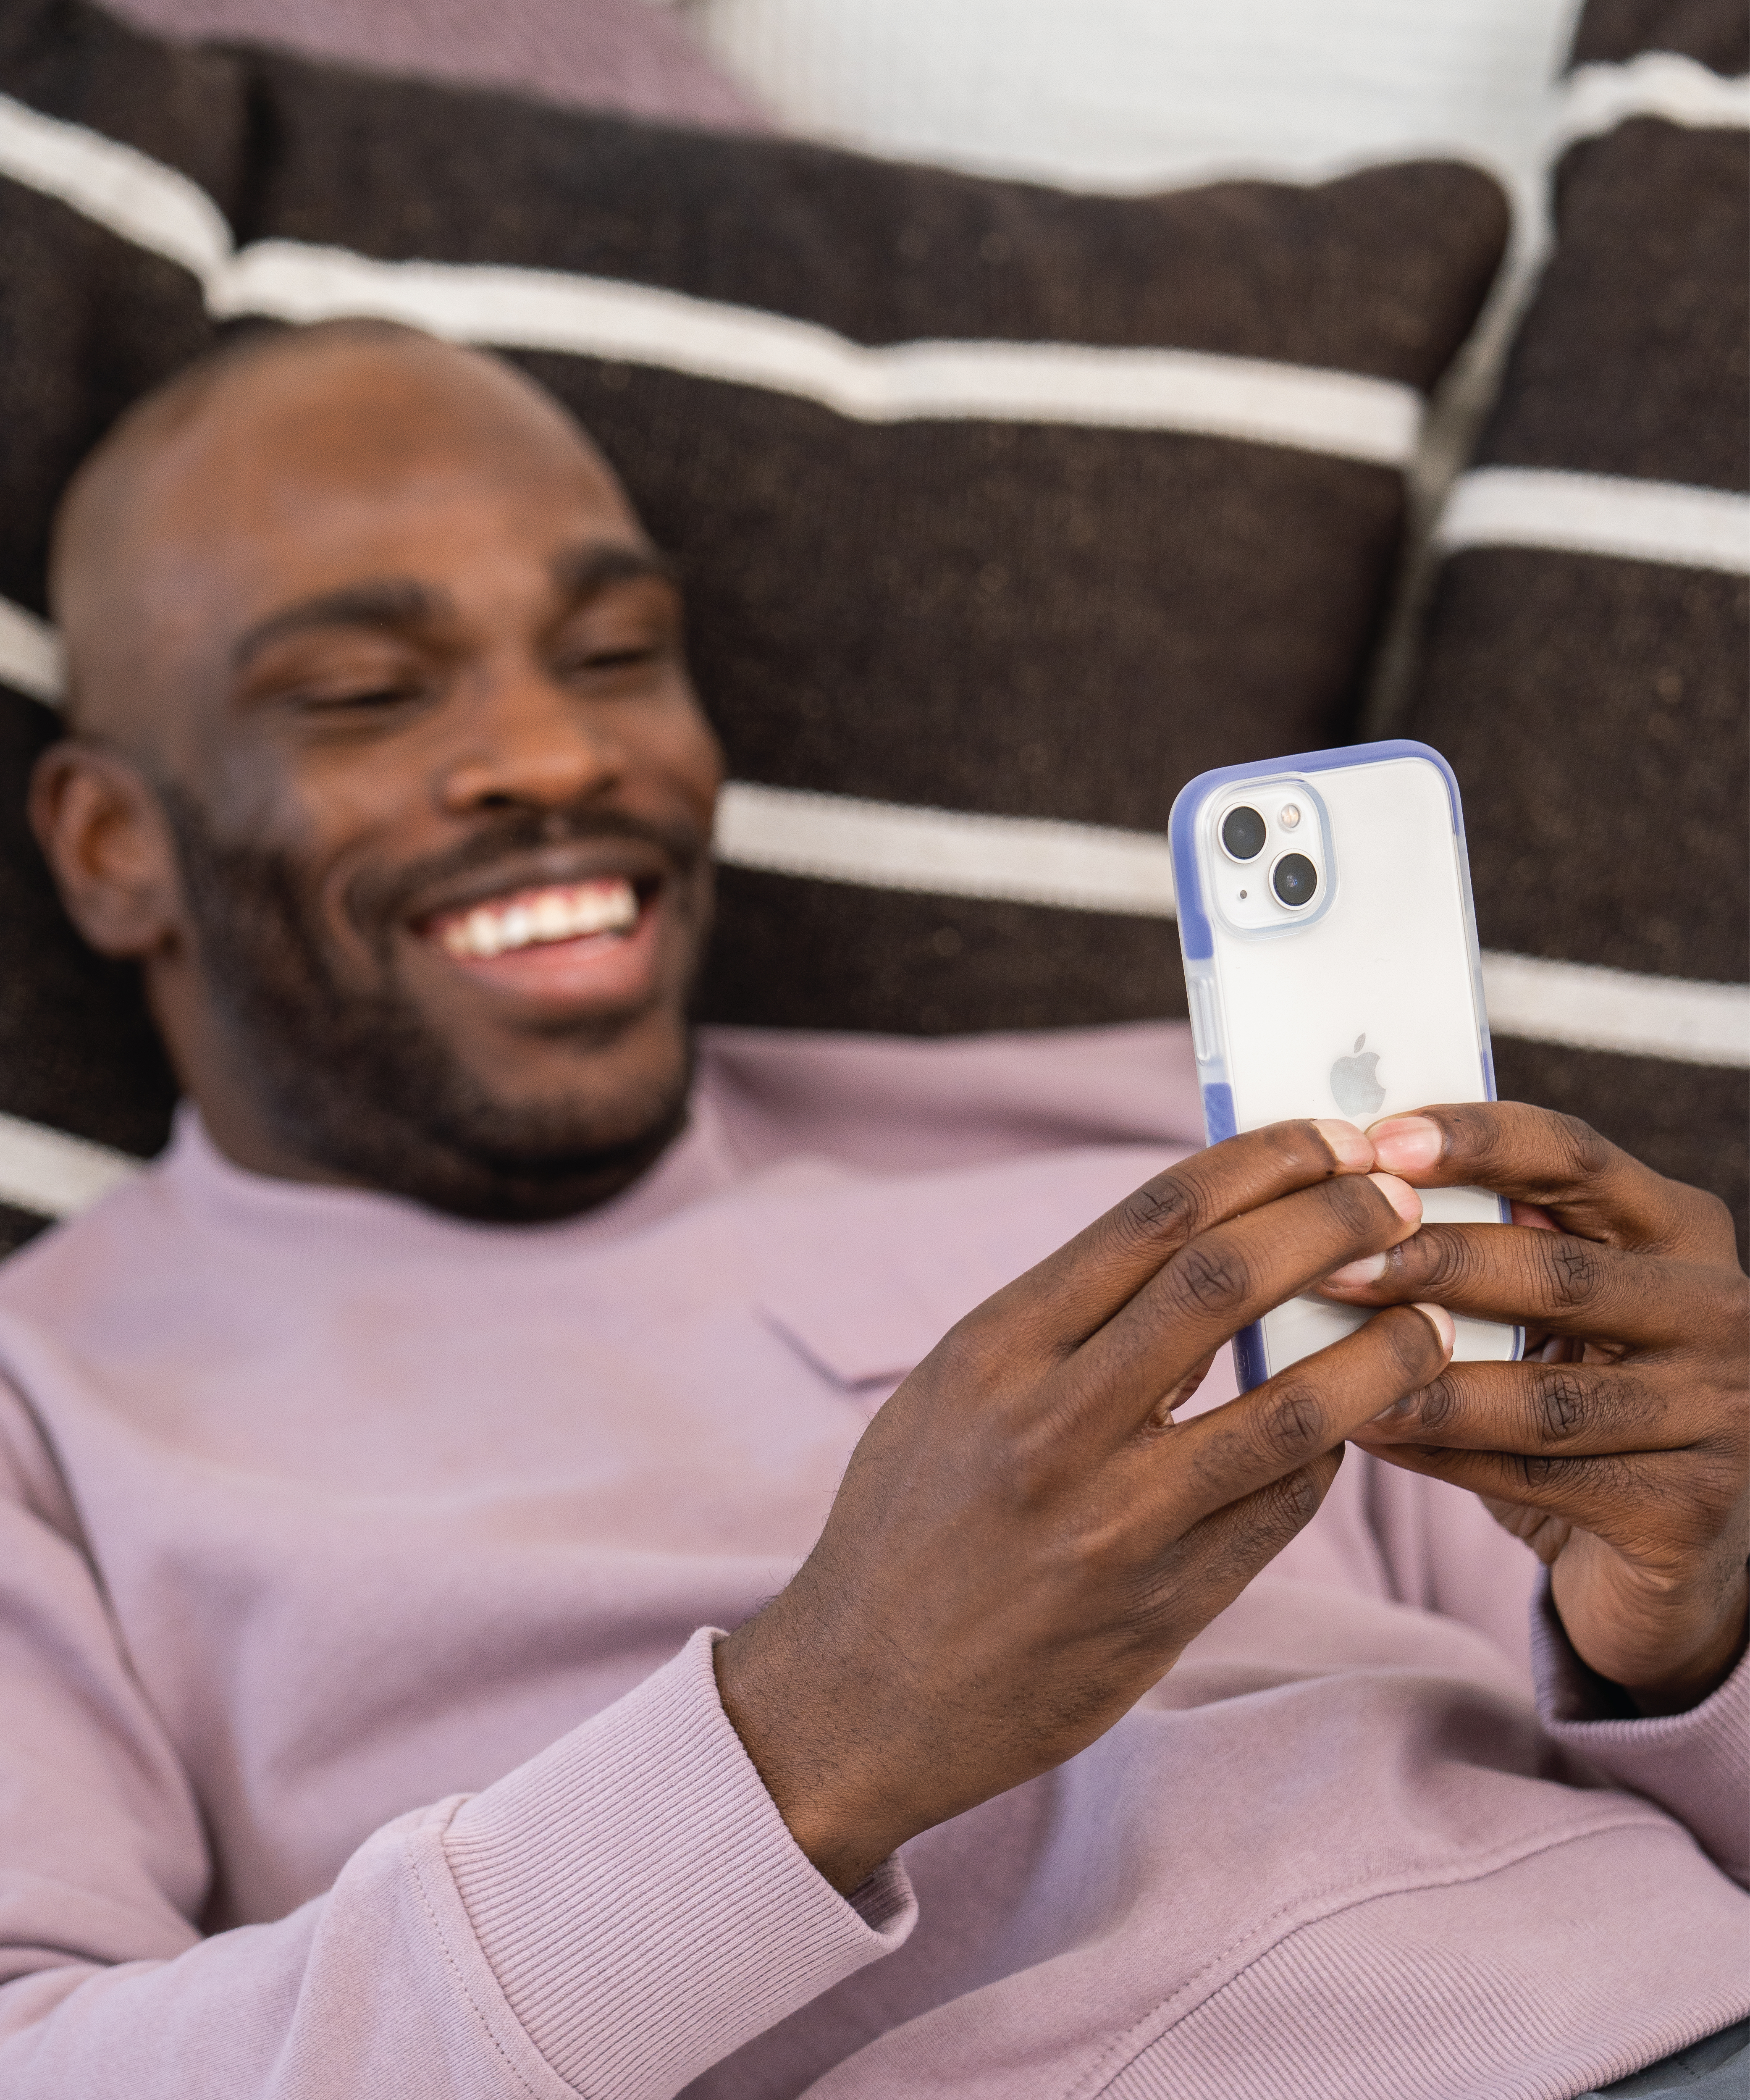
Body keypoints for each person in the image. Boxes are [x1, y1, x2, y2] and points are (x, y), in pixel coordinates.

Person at [3, 317, 1744, 2100]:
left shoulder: (1162, 1129)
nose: (551, 752)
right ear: (111, 844)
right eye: (367, 692)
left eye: (614, 654)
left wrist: (1693, 1627)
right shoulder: (46, 1409)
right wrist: (813, 1734)